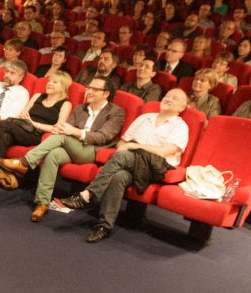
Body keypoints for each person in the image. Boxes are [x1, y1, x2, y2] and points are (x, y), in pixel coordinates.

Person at [59, 88, 191, 243]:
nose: (168, 99)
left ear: (182, 108)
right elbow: (123, 142)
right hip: (131, 160)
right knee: (118, 176)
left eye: (175, 98)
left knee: (122, 155)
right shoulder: (145, 118)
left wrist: (133, 147)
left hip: (155, 166)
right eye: (167, 96)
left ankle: (87, 195)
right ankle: (104, 226)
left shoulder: (180, 127)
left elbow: (163, 152)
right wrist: (126, 147)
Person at [0, 75, 125, 220]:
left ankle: (24, 162)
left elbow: (103, 137)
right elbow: (66, 127)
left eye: (95, 89)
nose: (89, 91)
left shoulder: (115, 112)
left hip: (91, 150)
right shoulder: (80, 108)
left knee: (61, 137)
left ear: (106, 93)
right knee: (53, 154)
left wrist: (74, 132)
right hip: (71, 145)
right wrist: (61, 129)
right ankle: (42, 203)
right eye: (89, 88)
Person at [0, 71, 74, 194]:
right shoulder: (37, 96)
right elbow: (23, 115)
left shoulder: (65, 104)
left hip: (38, 135)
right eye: (49, 81)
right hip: (22, 128)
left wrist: (34, 124)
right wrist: (27, 120)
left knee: (4, 124)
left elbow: (58, 128)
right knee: (5, 136)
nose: (50, 84)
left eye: (55, 82)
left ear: (63, 87)